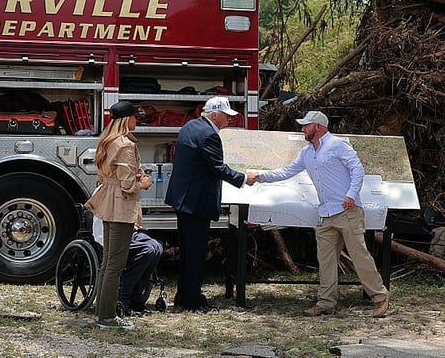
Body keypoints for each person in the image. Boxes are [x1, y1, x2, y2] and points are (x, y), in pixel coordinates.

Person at [246, 111, 391, 318]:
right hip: (326, 213)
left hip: (347, 211)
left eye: (306, 125)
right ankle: (326, 302)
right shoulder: (307, 153)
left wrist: (350, 195)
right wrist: (260, 176)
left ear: (318, 127)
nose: (303, 129)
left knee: (360, 256)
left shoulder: (338, 145)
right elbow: (286, 172)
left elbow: (357, 170)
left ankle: (380, 296)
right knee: (326, 259)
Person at [165, 96, 247, 313]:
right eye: (226, 116)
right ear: (214, 114)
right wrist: (244, 178)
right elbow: (218, 168)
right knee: (195, 253)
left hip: (183, 199)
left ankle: (184, 295)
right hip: (196, 201)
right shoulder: (209, 135)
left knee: (188, 251)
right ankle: (193, 300)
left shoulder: (190, 126)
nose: (228, 120)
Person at [85, 101, 152, 330]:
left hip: (107, 202)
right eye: (134, 116)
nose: (137, 120)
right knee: (116, 263)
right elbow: (127, 183)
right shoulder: (124, 144)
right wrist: (143, 183)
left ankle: (102, 312)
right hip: (121, 206)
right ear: (127, 119)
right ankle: (107, 317)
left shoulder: (107, 140)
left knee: (107, 263)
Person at [91, 215, 163, 316]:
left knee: (157, 247)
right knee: (147, 251)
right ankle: (125, 298)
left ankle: (137, 299)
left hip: (129, 231)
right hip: (112, 234)